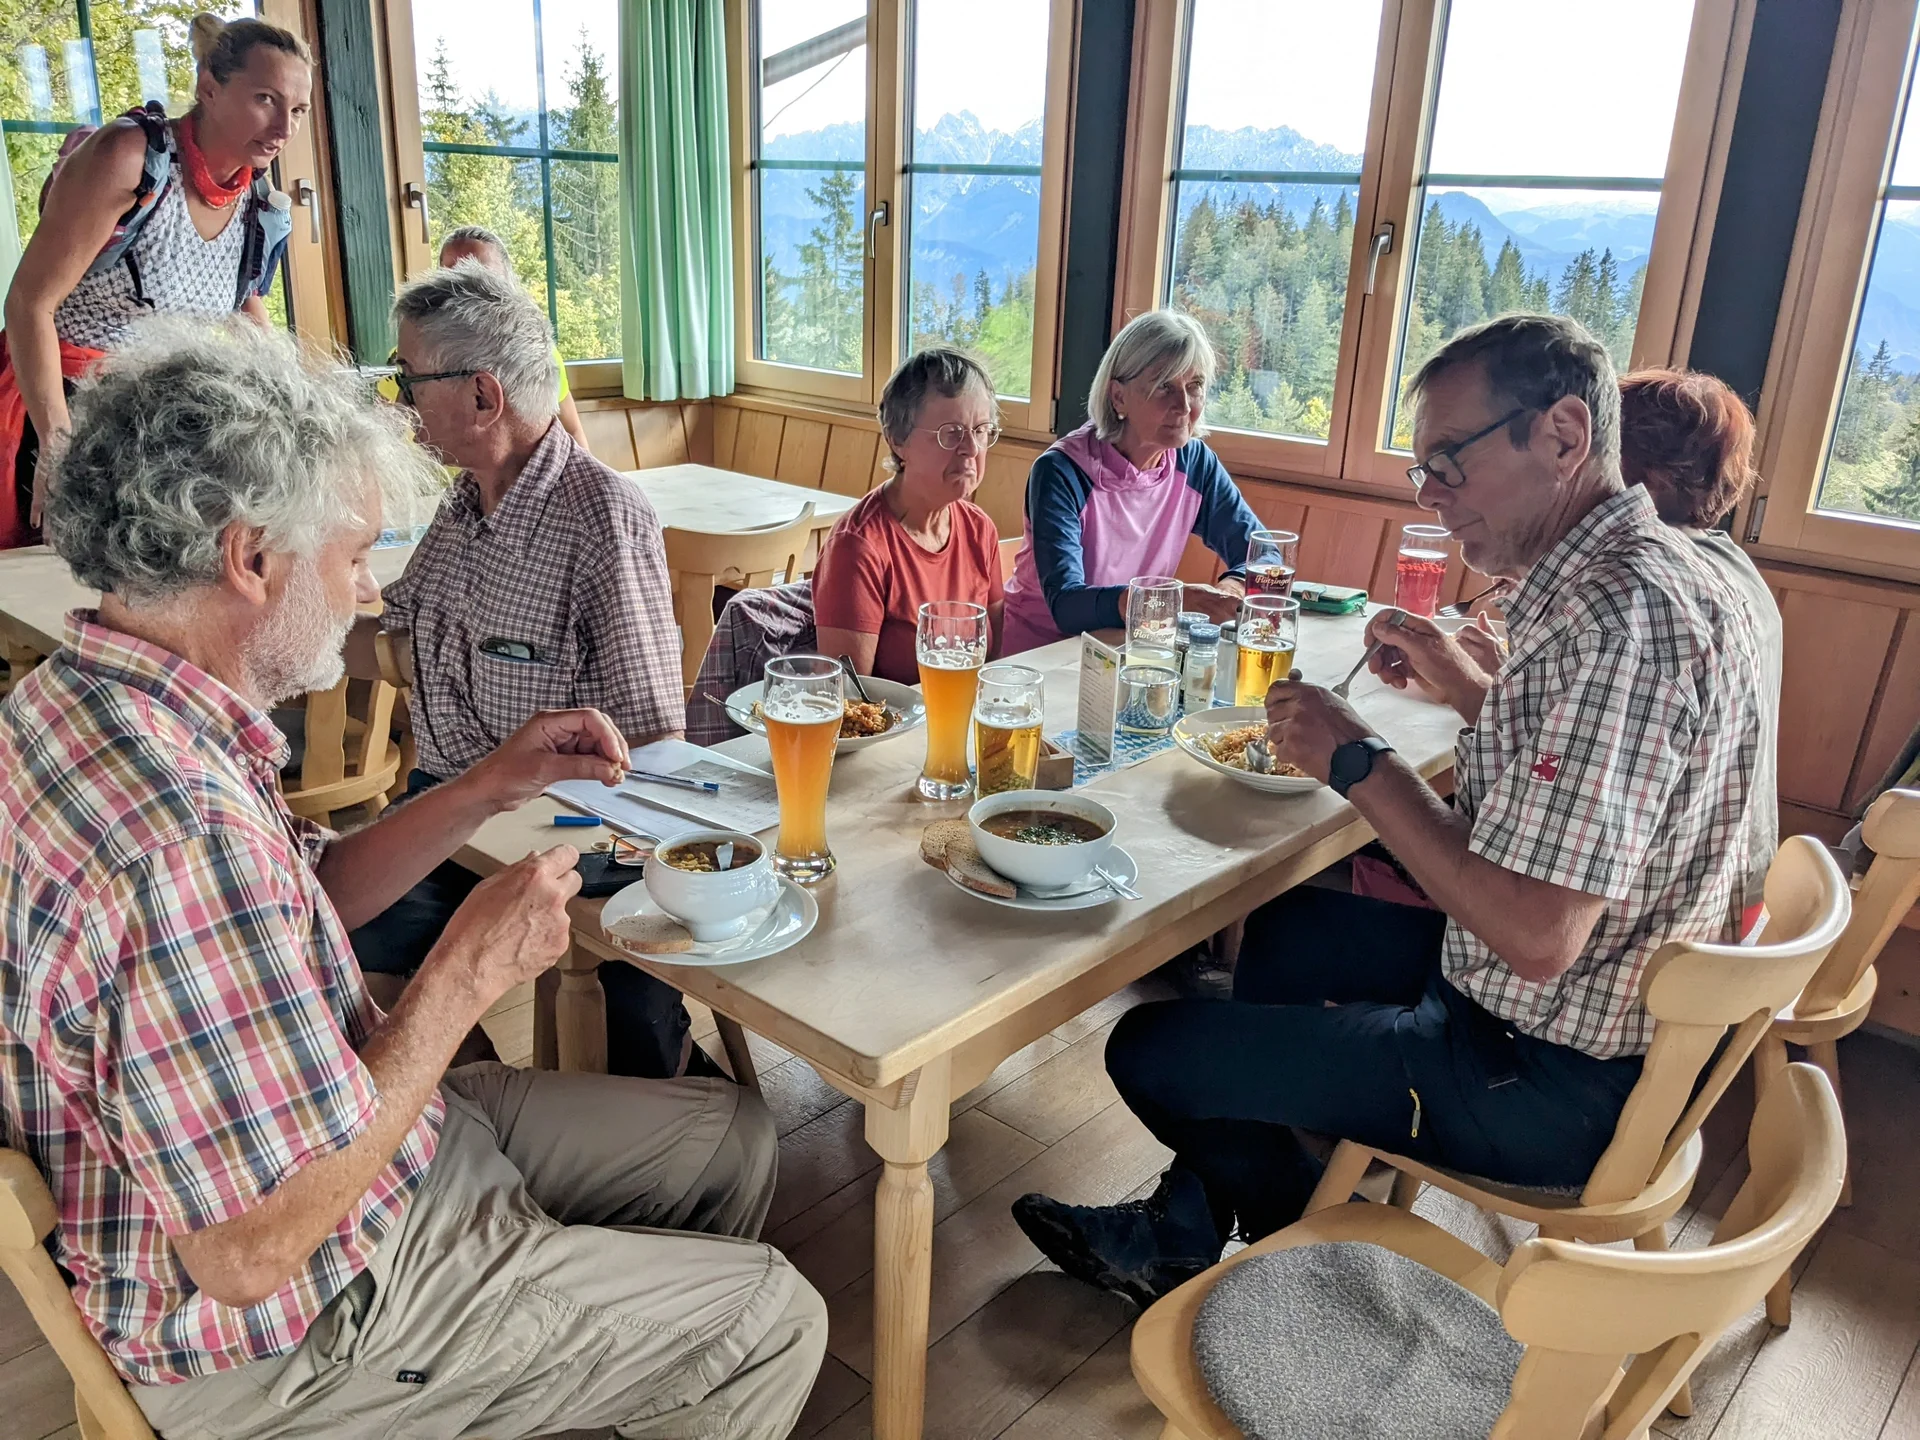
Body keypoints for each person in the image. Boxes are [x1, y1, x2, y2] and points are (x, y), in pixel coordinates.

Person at [0, 316, 824, 1439]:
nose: (364, 593)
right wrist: (465, 975)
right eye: (350, 559)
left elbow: (313, 889)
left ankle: (591, 1364)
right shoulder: (180, 830)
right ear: (249, 558)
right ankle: (583, 1348)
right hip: (292, 1315)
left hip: (334, 1151)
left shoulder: (85, 699)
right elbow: (249, 1250)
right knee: (775, 1317)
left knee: (735, 1137)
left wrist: (489, 781)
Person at [1011, 314, 1765, 1306]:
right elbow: (1585, 775)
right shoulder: (1650, 578)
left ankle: (1317, 1262)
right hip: (1600, 1013)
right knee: (1280, 932)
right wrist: (1462, 680)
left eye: (1448, 461)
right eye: (1424, 471)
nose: (1434, 497)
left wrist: (1357, 760)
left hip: (1543, 1070)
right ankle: (1189, 1225)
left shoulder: (1617, 620)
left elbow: (1539, 935)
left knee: (1151, 1048)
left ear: (1566, 435)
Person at [355, 263, 706, 1080]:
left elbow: (654, 740)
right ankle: (480, 1112)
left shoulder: (602, 516)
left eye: (412, 383)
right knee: (339, 952)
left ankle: (594, 1110)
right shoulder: (466, 501)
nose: (401, 405)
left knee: (628, 1034)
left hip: (566, 827)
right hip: (452, 807)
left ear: (483, 396)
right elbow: (394, 629)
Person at [1, 12, 308, 545]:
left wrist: (304, 407)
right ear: (208, 89)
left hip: (152, 420)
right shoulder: (129, 157)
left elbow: (247, 316)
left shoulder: (261, 206)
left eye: (298, 110)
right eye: (266, 99)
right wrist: (57, 446)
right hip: (60, 405)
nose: (285, 129)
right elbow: (29, 303)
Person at [1000, 310, 1260, 655]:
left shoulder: (1194, 463)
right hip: (1044, 656)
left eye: (1194, 386)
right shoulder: (1061, 471)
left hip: (1133, 650)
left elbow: (1264, 554)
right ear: (1118, 396)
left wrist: (1231, 591)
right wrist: (1174, 601)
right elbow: (1066, 605)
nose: (1183, 405)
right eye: (1163, 385)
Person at [1619, 367, 1780, 905]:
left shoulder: (1651, 589)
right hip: (1742, 890)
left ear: (1652, 478)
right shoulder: (1733, 568)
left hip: (1655, 928)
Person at [812, 347, 1006, 683]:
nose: (972, 450)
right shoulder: (858, 547)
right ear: (898, 439)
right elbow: (849, 700)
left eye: (980, 431)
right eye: (951, 433)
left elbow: (995, 660)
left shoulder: (979, 530)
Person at [376, 224, 593, 454]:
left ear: (508, 285)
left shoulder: (537, 355)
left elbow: (572, 431)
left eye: (481, 277)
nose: (464, 292)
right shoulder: (410, 360)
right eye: (452, 278)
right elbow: (379, 445)